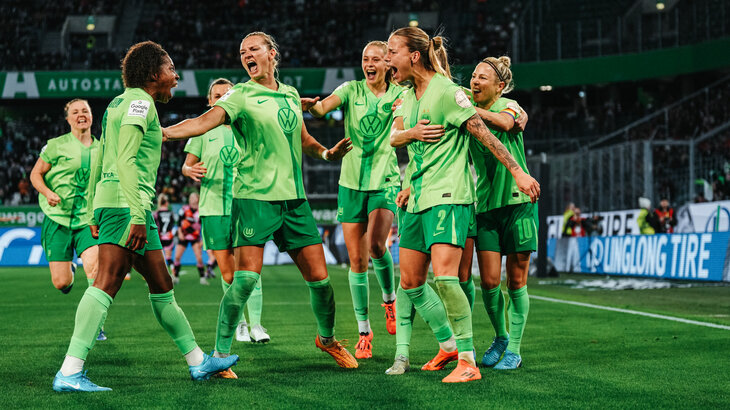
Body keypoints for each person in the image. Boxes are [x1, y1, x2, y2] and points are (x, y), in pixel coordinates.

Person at [163, 32, 357, 369]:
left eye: (253, 49)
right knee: (244, 280)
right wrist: (163, 131)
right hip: (254, 199)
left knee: (322, 282)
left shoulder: (291, 94)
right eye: (242, 52)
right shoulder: (240, 96)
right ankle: (220, 356)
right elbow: (202, 122)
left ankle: (327, 340)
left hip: (295, 202)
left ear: (272, 54)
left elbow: (303, 138)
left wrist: (327, 153)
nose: (247, 55)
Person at [52, 41, 238, 392]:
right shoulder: (140, 103)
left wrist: (94, 207)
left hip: (121, 204)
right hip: (128, 205)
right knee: (106, 281)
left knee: (162, 286)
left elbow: (101, 155)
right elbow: (124, 159)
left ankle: (198, 362)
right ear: (154, 74)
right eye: (170, 68)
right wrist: (137, 214)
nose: (176, 76)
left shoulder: (118, 104)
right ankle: (70, 371)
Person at [385, 27, 539, 383]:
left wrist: (517, 171)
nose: (388, 58)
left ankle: (474, 358)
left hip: (452, 197)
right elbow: (401, 141)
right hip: (424, 199)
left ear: (413, 55)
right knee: (410, 283)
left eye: (392, 51)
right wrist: (408, 175)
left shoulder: (453, 94)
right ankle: (450, 343)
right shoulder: (408, 97)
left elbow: (489, 132)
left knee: (452, 277)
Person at [303, 40, 401, 359]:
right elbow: (323, 107)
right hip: (350, 182)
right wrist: (309, 105)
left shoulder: (400, 93)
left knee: (376, 246)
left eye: (376, 59)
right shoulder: (351, 89)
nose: (369, 64)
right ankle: (364, 331)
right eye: (365, 59)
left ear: (388, 64)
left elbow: (404, 126)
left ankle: (389, 300)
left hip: (385, 180)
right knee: (356, 260)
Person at [181, 77, 269, 355]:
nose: (220, 99)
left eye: (226, 94)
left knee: (250, 269)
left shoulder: (248, 126)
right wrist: (189, 172)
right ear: (209, 101)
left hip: (245, 205)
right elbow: (187, 166)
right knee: (229, 273)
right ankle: (240, 324)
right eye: (216, 95)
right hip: (213, 208)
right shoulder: (202, 131)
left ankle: (256, 325)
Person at [465, 56, 538, 370]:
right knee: (490, 282)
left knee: (516, 281)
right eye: (473, 76)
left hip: (519, 203)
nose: (476, 82)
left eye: (483, 78)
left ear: (500, 86)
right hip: (486, 207)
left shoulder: (510, 105)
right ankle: (501, 336)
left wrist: (464, 110)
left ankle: (515, 350)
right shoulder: (465, 102)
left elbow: (508, 123)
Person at [29, 98, 106, 341]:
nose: (81, 114)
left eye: (85, 110)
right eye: (75, 112)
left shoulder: (103, 148)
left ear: (92, 116)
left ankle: (97, 324)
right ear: (68, 118)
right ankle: (70, 270)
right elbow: (36, 174)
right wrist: (48, 192)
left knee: (94, 266)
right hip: (57, 219)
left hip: (87, 220)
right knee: (61, 283)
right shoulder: (56, 145)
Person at [172, 192, 208, 284]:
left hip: (195, 238)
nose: (191, 199)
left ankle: (202, 278)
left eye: (193, 197)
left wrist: (203, 239)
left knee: (199, 258)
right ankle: (175, 277)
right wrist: (180, 233)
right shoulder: (184, 209)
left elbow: (204, 226)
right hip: (184, 236)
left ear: (197, 199)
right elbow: (179, 223)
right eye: (190, 197)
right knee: (177, 257)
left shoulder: (201, 210)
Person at [153, 193, 177, 275]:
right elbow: (174, 226)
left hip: (159, 237)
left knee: (157, 258)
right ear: (166, 203)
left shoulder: (156, 213)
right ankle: (174, 273)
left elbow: (155, 226)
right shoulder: (171, 213)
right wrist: (171, 234)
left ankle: (157, 275)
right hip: (168, 237)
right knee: (168, 257)